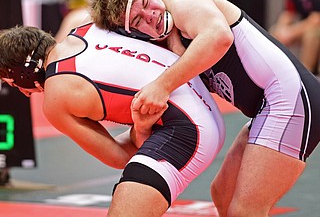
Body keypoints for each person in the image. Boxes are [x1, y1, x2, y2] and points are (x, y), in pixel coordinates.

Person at [90, 0, 320, 217]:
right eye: (138, 21)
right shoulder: (171, 46)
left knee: (246, 210)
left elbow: (219, 37)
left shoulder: (186, 5)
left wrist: (162, 85)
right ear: (134, 34)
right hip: (269, 107)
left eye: (147, 3)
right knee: (223, 194)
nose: (151, 16)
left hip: (291, 99)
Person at [0, 23, 225, 216]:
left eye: (12, 83)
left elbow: (119, 156)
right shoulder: (88, 27)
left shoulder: (55, 97)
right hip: (206, 104)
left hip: (187, 131)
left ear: (25, 72)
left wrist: (140, 127)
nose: (22, 91)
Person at [270, 0, 320, 75]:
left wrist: (291, 32)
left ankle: (306, 73)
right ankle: (274, 69)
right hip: (305, 28)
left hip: (316, 29)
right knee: (274, 32)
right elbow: (287, 15)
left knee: (312, 34)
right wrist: (281, 29)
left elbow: (315, 20)